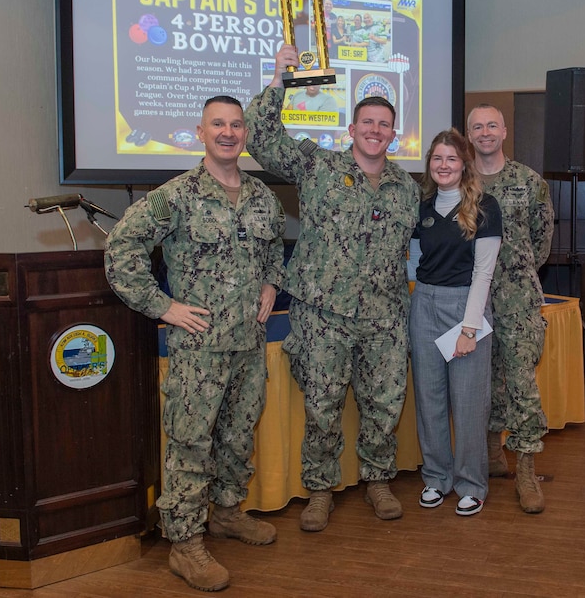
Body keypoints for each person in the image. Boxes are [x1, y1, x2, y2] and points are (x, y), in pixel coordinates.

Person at [104, 95, 285, 592]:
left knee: (236, 435)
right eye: (218, 124)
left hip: (248, 343)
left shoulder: (262, 196)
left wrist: (271, 284)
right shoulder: (178, 195)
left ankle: (226, 512)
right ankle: (183, 543)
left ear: (245, 133)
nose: (228, 132)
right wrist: (162, 306)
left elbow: (273, 248)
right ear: (200, 132)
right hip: (199, 349)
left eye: (236, 125)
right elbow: (121, 246)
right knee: (190, 443)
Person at [245, 44, 419, 532]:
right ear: (352, 130)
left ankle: (378, 481)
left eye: (384, 125)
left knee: (384, 404)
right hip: (322, 314)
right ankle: (320, 490)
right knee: (322, 406)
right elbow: (260, 137)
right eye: (367, 123)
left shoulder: (406, 188)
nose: (375, 131)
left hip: (384, 317)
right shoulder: (317, 167)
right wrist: (280, 78)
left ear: (393, 134)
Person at [465, 103, 555, 514]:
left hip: (518, 299)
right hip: (471, 300)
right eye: (476, 127)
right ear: (470, 135)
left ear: (503, 132)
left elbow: (541, 241)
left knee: (521, 382)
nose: (484, 132)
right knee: (482, 380)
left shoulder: (528, 181)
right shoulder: (459, 180)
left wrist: (512, 274)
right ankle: (491, 454)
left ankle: (526, 470)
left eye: (491, 126)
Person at [407, 130, 502, 516]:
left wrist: (469, 329)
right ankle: (436, 478)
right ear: (429, 164)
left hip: (466, 308)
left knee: (467, 405)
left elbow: (484, 274)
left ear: (464, 164)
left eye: (451, 159)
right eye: (437, 159)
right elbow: (414, 262)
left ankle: (471, 484)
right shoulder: (423, 206)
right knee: (429, 401)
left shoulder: (485, 206)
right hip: (424, 304)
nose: (443, 166)